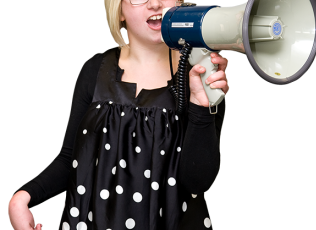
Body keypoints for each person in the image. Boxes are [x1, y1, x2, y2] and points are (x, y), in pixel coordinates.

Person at [8, 0, 229, 229]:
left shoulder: (201, 74)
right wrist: (22, 199)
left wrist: (201, 107)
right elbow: (70, 160)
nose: (154, 3)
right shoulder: (93, 71)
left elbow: (198, 181)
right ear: (119, 11)